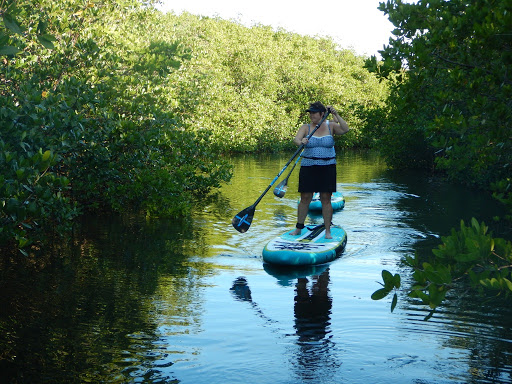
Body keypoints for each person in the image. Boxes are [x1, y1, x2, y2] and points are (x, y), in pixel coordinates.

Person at [290, 101, 350, 239]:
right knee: (305, 198)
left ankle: (327, 230)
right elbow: (296, 140)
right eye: (310, 112)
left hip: (327, 167)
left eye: (314, 113)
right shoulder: (305, 127)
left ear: (322, 114)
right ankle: (299, 228)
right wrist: (301, 142)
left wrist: (336, 114)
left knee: (326, 199)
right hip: (308, 166)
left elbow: (345, 129)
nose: (311, 115)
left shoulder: (331, 126)